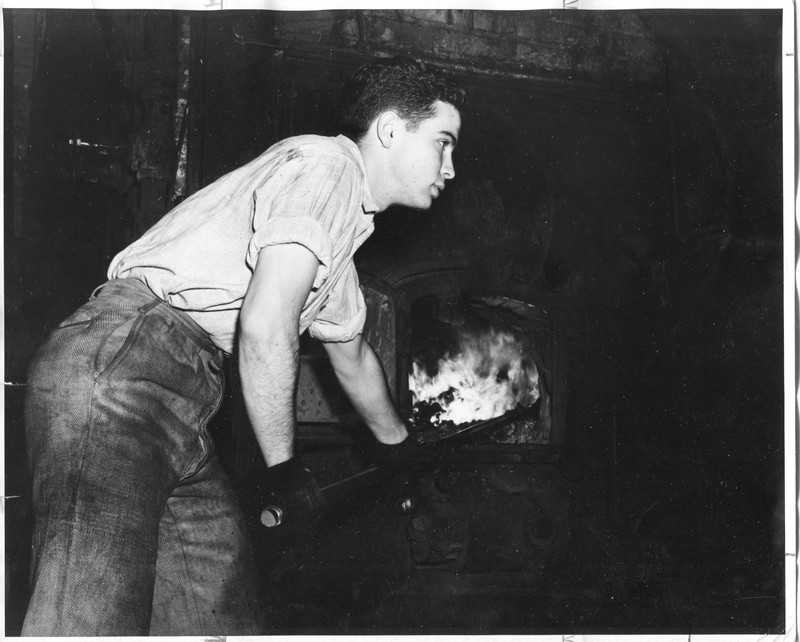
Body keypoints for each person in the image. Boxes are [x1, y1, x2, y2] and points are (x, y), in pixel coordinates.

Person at [22, 55, 465, 636]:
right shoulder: (328, 166)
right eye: (443, 143)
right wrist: (283, 473)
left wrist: (401, 445)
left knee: (219, 606)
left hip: (179, 399)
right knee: (88, 618)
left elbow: (351, 356)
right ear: (389, 130)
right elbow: (265, 325)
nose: (451, 168)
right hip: (125, 366)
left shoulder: (338, 243)